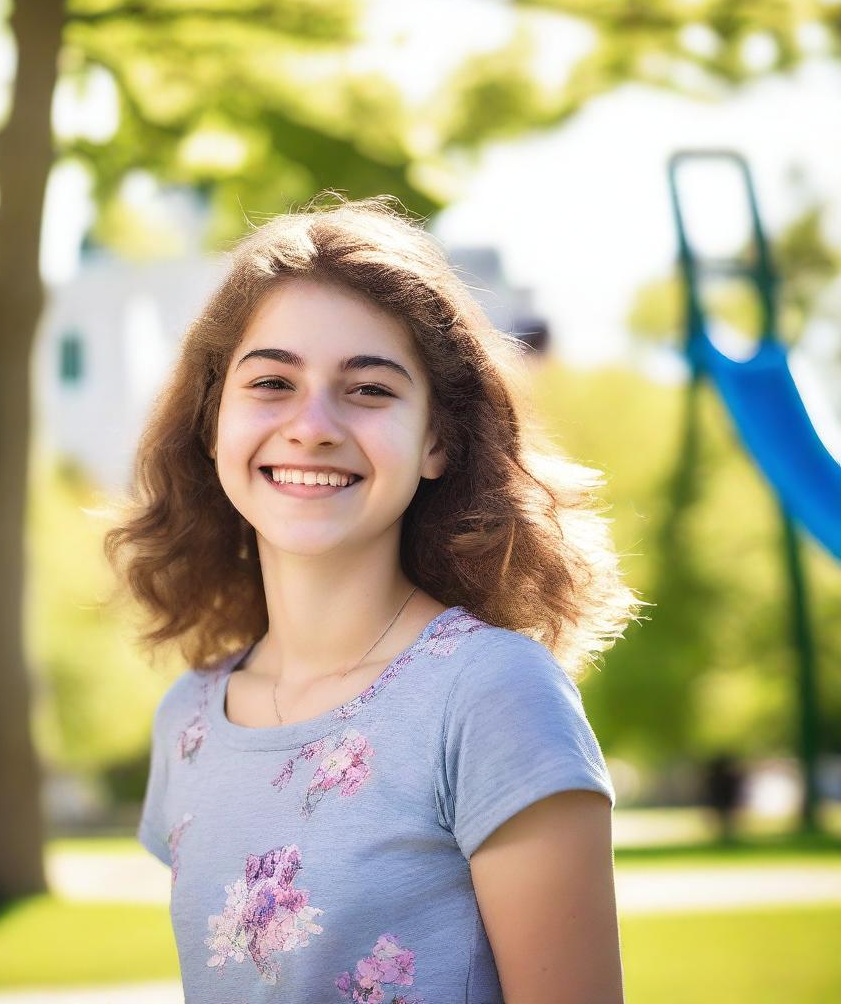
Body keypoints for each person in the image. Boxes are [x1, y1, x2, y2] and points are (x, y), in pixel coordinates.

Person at [104, 194, 645, 1003]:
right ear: (215, 420)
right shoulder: (187, 720)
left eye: (368, 389)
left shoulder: (493, 694)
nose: (312, 425)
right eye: (273, 382)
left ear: (437, 441)